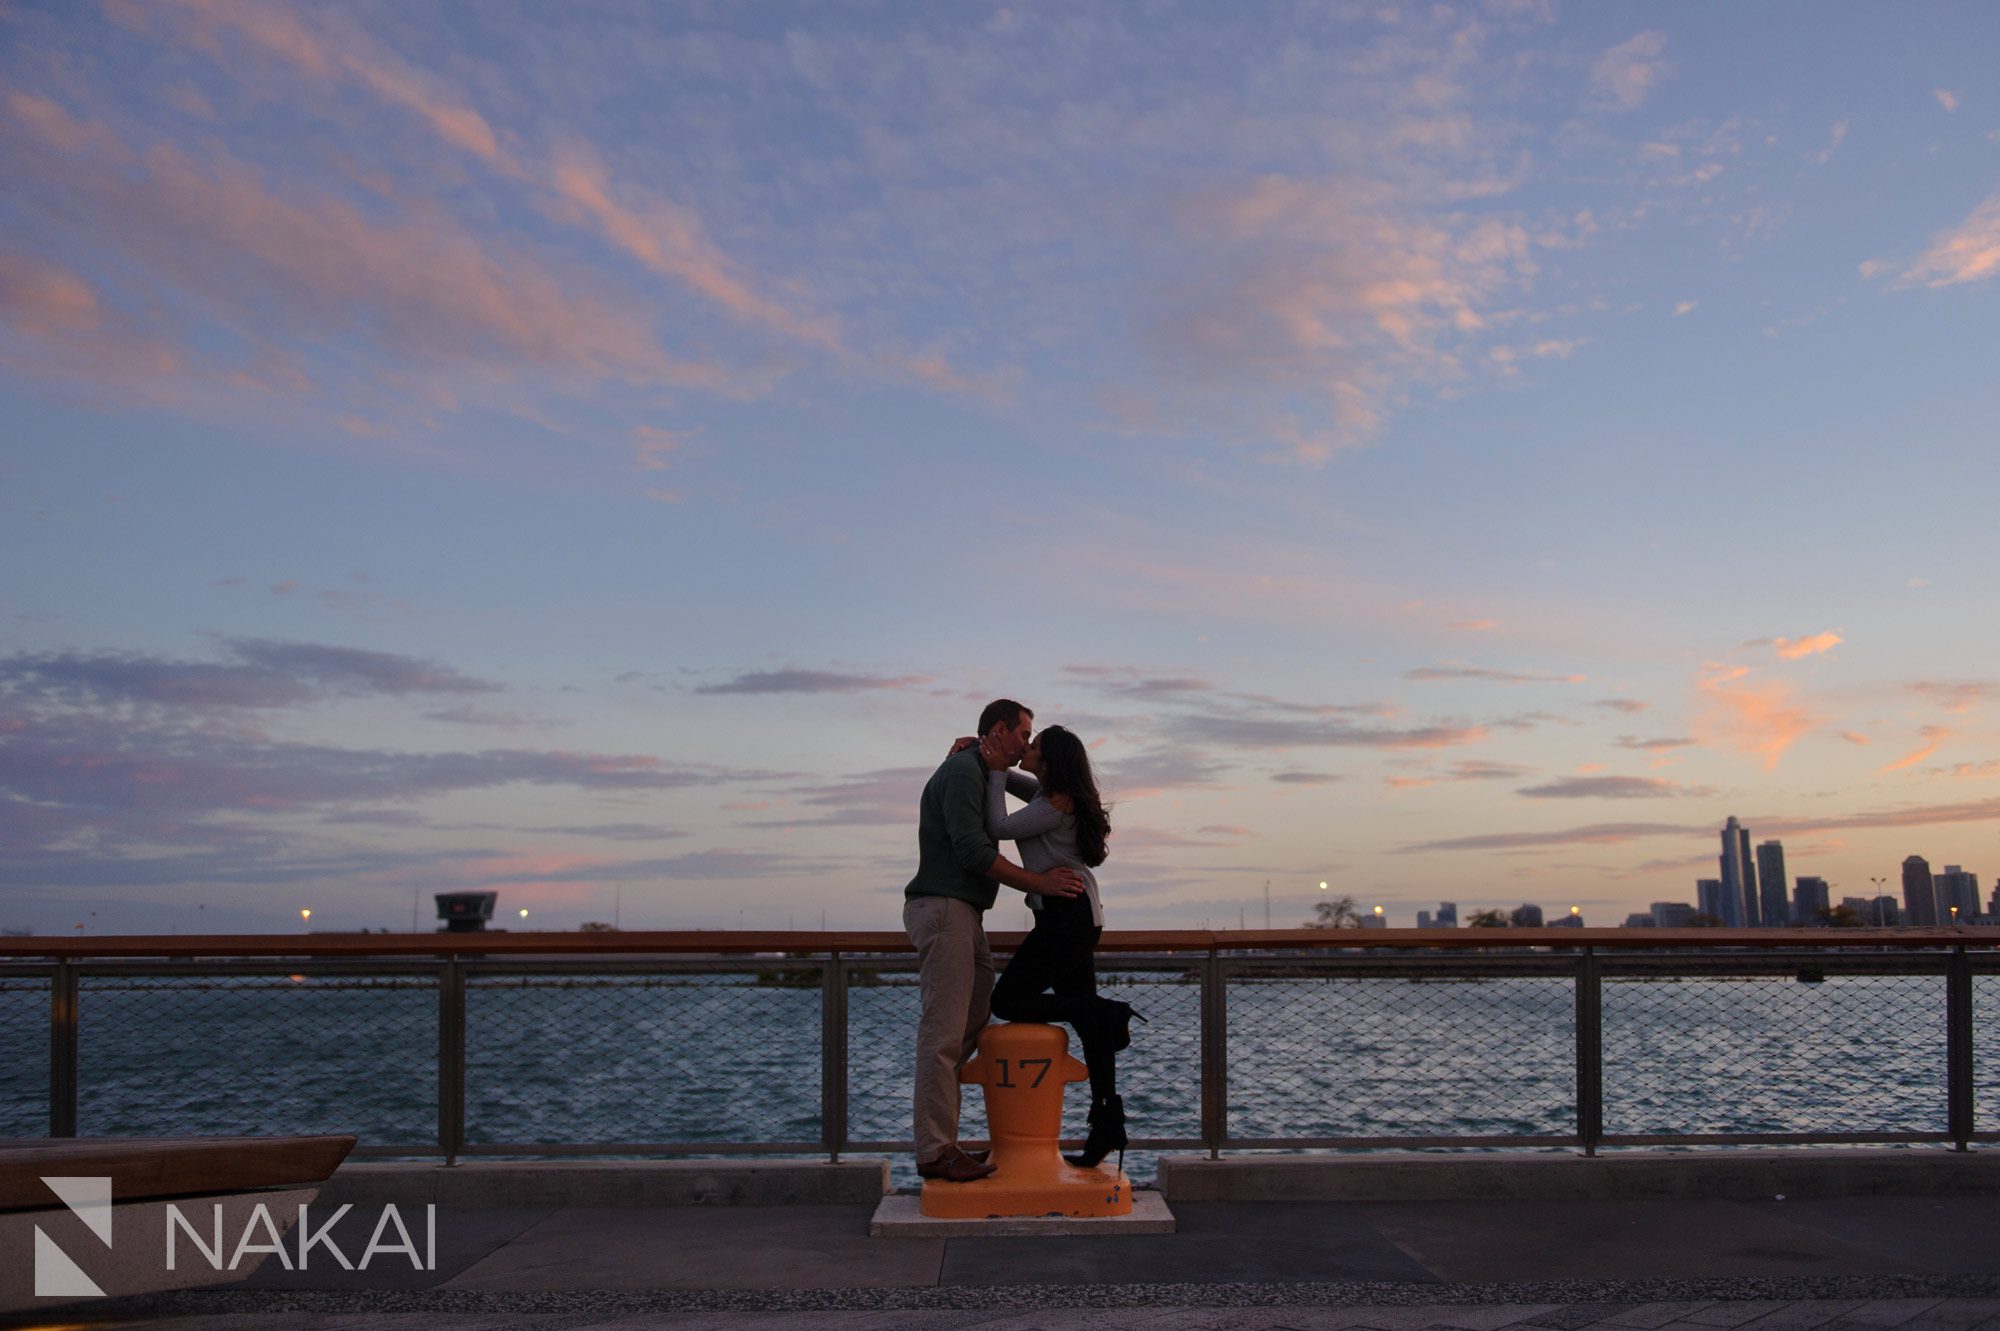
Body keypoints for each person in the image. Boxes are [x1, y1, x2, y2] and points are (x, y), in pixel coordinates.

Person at [904, 699, 1087, 1184]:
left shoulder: (976, 771)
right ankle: (935, 1150)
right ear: (1000, 729)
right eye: (1023, 735)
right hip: (944, 909)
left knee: (971, 1020)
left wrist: (990, 765)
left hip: (964, 913)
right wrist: (1040, 884)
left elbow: (1021, 796)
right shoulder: (964, 774)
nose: (1026, 744)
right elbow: (973, 851)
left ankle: (943, 1139)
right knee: (942, 1034)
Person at [963, 723, 1139, 1170]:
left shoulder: (1055, 803)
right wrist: (994, 764)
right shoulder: (1053, 795)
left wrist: (996, 770)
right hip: (1075, 916)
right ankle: (1107, 1124)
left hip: (1067, 917)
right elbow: (1021, 786)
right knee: (1089, 1025)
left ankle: (1101, 1011)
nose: (1028, 747)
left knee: (1008, 999)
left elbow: (998, 826)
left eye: (1034, 745)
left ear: (1050, 759)